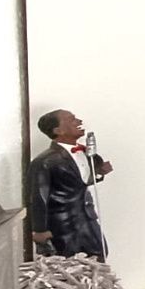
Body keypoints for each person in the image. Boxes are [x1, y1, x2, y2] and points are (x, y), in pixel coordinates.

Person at [28, 109, 114, 261]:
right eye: (71, 119)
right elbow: (38, 198)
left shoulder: (86, 153)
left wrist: (99, 173)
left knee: (100, 255)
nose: (79, 122)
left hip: (87, 219)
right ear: (58, 130)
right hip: (62, 225)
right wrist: (40, 231)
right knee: (67, 264)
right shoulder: (44, 161)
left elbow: (80, 181)